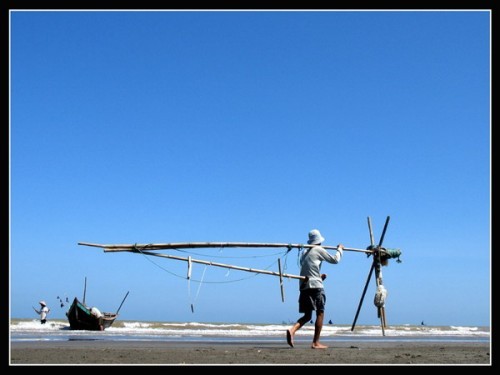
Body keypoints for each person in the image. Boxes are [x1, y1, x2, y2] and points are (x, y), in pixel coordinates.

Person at [286, 229, 343, 349]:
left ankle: (292, 330)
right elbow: (335, 260)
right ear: (319, 241)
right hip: (316, 286)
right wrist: (340, 249)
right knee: (320, 313)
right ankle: (315, 342)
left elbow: (309, 268)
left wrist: (319, 277)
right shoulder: (319, 249)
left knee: (307, 316)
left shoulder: (304, 252)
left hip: (304, 286)